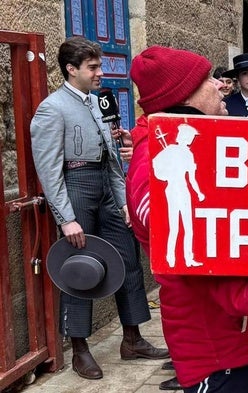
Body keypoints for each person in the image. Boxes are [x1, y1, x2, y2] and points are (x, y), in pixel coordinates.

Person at [127, 45, 248, 392]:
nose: (221, 84)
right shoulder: (149, 160)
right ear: (183, 97)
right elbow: (185, 245)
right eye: (209, 79)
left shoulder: (215, 144)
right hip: (220, 350)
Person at [29, 36, 169, 380]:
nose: (100, 73)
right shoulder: (52, 108)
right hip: (76, 189)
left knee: (127, 259)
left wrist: (123, 202)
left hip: (106, 189)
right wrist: (67, 219)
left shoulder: (98, 103)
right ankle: (79, 349)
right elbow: (48, 169)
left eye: (99, 66)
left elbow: (111, 162)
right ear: (71, 69)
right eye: (93, 67)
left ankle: (133, 338)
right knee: (80, 270)